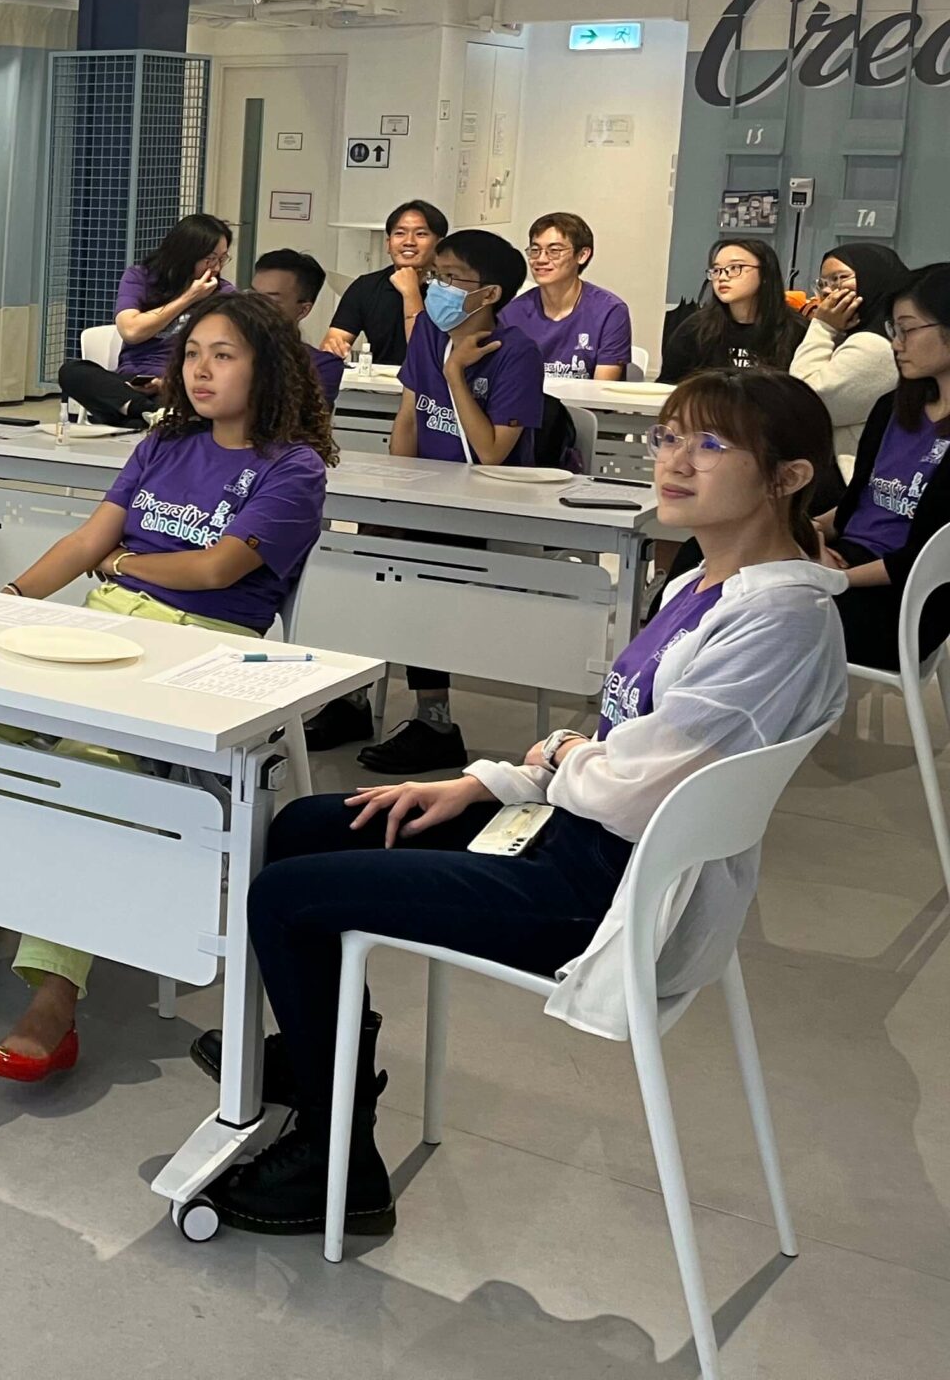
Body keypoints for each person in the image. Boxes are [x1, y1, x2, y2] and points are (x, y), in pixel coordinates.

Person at [193, 369, 847, 1237]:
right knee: (312, 824)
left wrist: (560, 755)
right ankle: (327, 1055)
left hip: (604, 889)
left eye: (711, 444)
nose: (675, 462)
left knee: (284, 897)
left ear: (789, 476)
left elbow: (629, 786)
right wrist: (488, 780)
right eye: (670, 438)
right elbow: (619, 749)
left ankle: (338, 1161)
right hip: (573, 834)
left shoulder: (782, 622)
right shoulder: (702, 583)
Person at [0, 292, 335, 1083]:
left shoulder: (294, 468)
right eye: (194, 353)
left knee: (91, 769)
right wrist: (3, 605)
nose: (201, 370)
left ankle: (52, 999)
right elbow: (86, 541)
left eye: (224, 355)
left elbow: (217, 569)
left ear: (266, 367)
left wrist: (122, 567)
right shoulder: (167, 442)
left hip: (202, 653)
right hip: (101, 630)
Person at [347, 227, 540, 776]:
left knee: (418, 562)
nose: (438, 288)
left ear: (490, 294)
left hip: (488, 505)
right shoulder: (428, 334)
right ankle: (353, 697)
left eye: (453, 278)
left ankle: (435, 720)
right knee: (361, 551)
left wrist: (457, 373)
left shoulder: (517, 354)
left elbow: (492, 454)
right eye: (437, 276)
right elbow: (407, 418)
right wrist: (394, 492)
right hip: (427, 497)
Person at [815, 264, 950, 671]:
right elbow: (857, 505)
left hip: (903, 602)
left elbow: (926, 558)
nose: (896, 343)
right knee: (710, 566)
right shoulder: (890, 409)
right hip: (845, 563)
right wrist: (807, 537)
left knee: (756, 613)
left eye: (907, 329)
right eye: (893, 329)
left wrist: (834, 578)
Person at [790, 242, 913, 464]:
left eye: (839, 278)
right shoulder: (857, 333)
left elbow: (803, 402)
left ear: (873, 277)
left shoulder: (875, 344)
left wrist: (823, 327)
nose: (828, 290)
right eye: (823, 283)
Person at [506, 212, 632, 380]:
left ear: (582, 255)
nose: (541, 259)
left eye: (554, 251)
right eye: (535, 250)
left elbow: (602, 390)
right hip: (529, 405)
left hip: (583, 405)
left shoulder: (610, 311)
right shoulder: (512, 311)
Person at [659, 238, 805, 382]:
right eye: (716, 270)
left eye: (735, 268)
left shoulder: (795, 330)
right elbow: (668, 385)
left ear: (765, 274)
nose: (722, 277)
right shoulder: (696, 329)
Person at [322, 200, 447, 367]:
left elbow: (425, 354)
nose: (409, 241)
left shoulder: (451, 289)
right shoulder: (365, 287)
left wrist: (411, 292)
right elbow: (334, 340)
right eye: (400, 233)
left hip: (433, 387)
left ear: (440, 244)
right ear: (388, 244)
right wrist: (333, 347)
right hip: (380, 387)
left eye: (421, 234)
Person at [112, 213, 232, 386]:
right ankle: (142, 408)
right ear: (186, 255)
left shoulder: (223, 292)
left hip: (184, 382)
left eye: (222, 258)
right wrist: (189, 297)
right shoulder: (140, 277)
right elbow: (131, 332)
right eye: (210, 259)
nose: (217, 267)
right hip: (135, 376)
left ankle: (138, 407)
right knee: (75, 372)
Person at [251, 248, 343, 406]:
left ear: (303, 309)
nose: (255, 305)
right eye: (252, 295)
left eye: (270, 300)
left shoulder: (321, 366)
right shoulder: (225, 350)